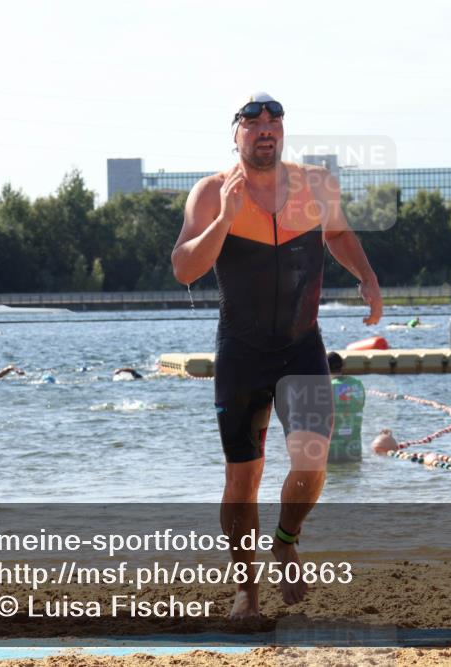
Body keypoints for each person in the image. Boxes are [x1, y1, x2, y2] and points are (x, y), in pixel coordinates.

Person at [170, 92, 382, 619]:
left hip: (300, 346)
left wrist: (369, 278)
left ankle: (286, 538)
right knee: (243, 478)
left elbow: (337, 233)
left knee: (313, 461)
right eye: (253, 120)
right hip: (241, 353)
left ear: (283, 130)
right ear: (236, 132)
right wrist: (223, 220)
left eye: (274, 120)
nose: (265, 127)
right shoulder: (211, 192)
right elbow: (183, 268)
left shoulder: (315, 186)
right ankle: (247, 591)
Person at [326, 352, 365, 463]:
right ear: (342, 366)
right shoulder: (358, 384)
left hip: (331, 453)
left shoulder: (326, 388)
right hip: (355, 452)